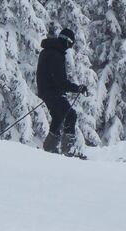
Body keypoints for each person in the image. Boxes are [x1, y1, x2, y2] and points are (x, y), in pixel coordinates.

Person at [36, 28, 88, 157]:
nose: (70, 47)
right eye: (71, 44)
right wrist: (77, 88)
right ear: (66, 41)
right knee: (71, 115)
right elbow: (61, 82)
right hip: (52, 92)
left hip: (46, 91)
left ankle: (49, 149)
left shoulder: (48, 51)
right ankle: (68, 150)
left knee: (58, 117)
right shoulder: (56, 55)